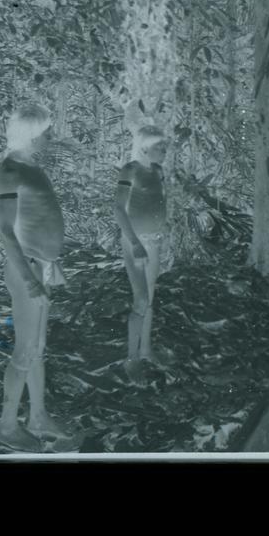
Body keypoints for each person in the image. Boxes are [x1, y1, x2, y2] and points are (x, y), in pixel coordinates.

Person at [0, 104, 71, 451]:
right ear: (31, 133)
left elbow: (39, 219)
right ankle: (7, 426)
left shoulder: (31, 167)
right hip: (25, 267)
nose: (51, 137)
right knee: (24, 349)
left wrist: (51, 264)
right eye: (47, 131)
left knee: (38, 347)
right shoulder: (10, 170)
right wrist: (28, 278)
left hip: (43, 265)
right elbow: (7, 231)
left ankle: (37, 416)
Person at [114, 124, 171, 381]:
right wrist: (135, 243)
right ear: (145, 146)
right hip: (135, 243)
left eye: (165, 146)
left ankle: (146, 350)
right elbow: (118, 208)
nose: (164, 150)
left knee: (150, 297)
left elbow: (158, 204)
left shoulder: (158, 171)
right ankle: (132, 359)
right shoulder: (130, 170)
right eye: (159, 146)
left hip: (155, 242)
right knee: (140, 299)